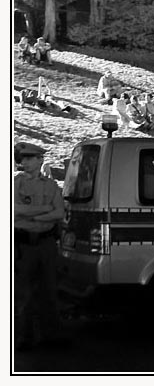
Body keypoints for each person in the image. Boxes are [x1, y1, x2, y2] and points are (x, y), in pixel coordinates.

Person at [14, 142, 67, 351]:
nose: (24, 162)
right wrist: (45, 210)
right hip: (23, 243)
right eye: (23, 159)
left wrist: (31, 213)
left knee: (49, 291)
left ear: (40, 160)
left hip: (46, 242)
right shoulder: (14, 182)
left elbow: (59, 213)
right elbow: (13, 209)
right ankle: (24, 338)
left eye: (29, 158)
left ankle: (50, 336)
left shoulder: (50, 185)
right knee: (23, 293)